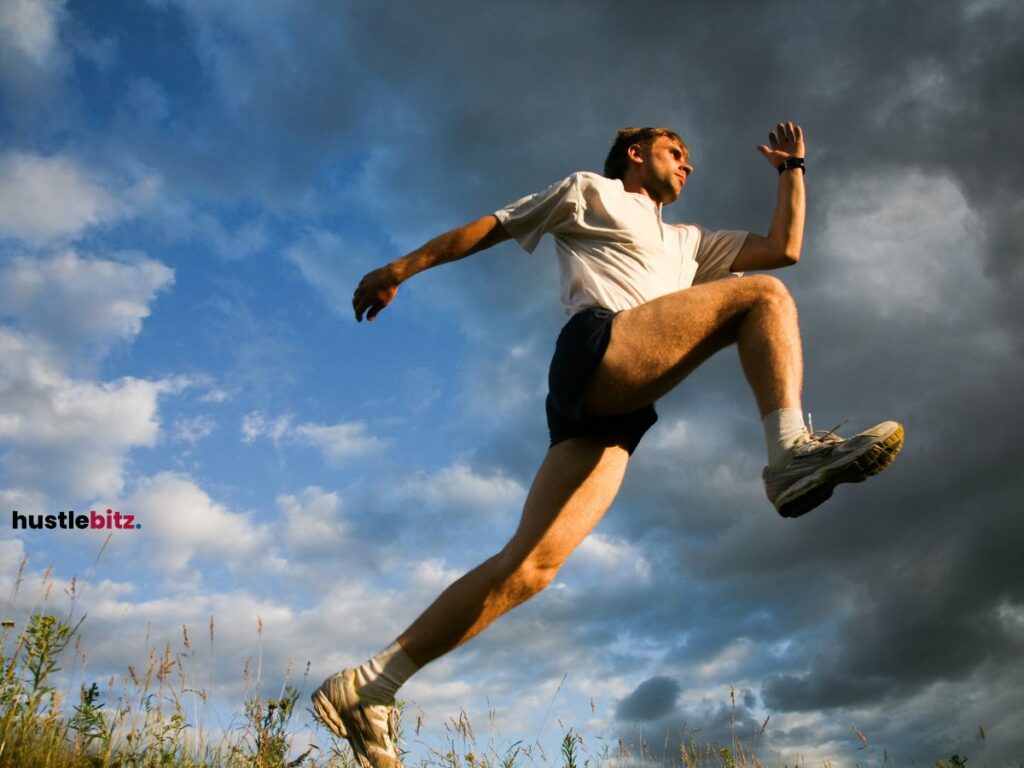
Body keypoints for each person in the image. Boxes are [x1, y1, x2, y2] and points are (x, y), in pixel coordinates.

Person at [311, 122, 903, 767]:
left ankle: (372, 685)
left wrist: (793, 171)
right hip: (598, 349)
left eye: (689, 159)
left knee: (532, 567)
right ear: (635, 152)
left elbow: (785, 247)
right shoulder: (590, 191)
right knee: (762, 298)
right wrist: (402, 267)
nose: (687, 166)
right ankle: (790, 452)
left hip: (619, 404)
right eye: (677, 153)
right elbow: (491, 226)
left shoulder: (691, 241)